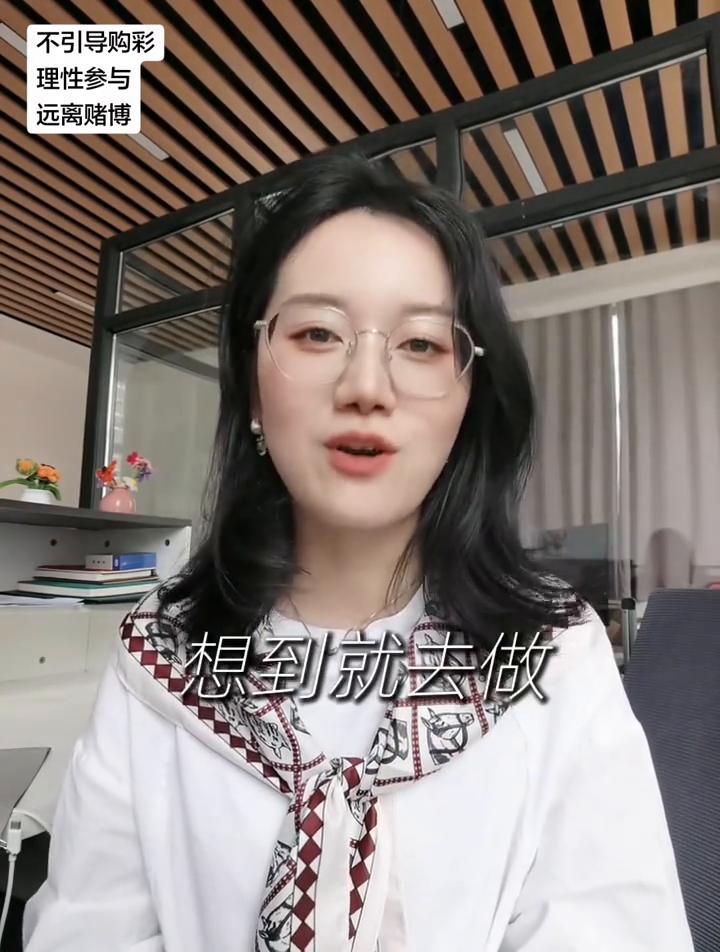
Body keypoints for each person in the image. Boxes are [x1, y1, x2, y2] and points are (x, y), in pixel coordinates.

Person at [23, 156, 693, 952]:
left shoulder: (553, 655)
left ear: (469, 397)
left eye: (420, 343)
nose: (366, 385)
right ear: (254, 383)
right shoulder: (159, 656)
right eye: (317, 333)